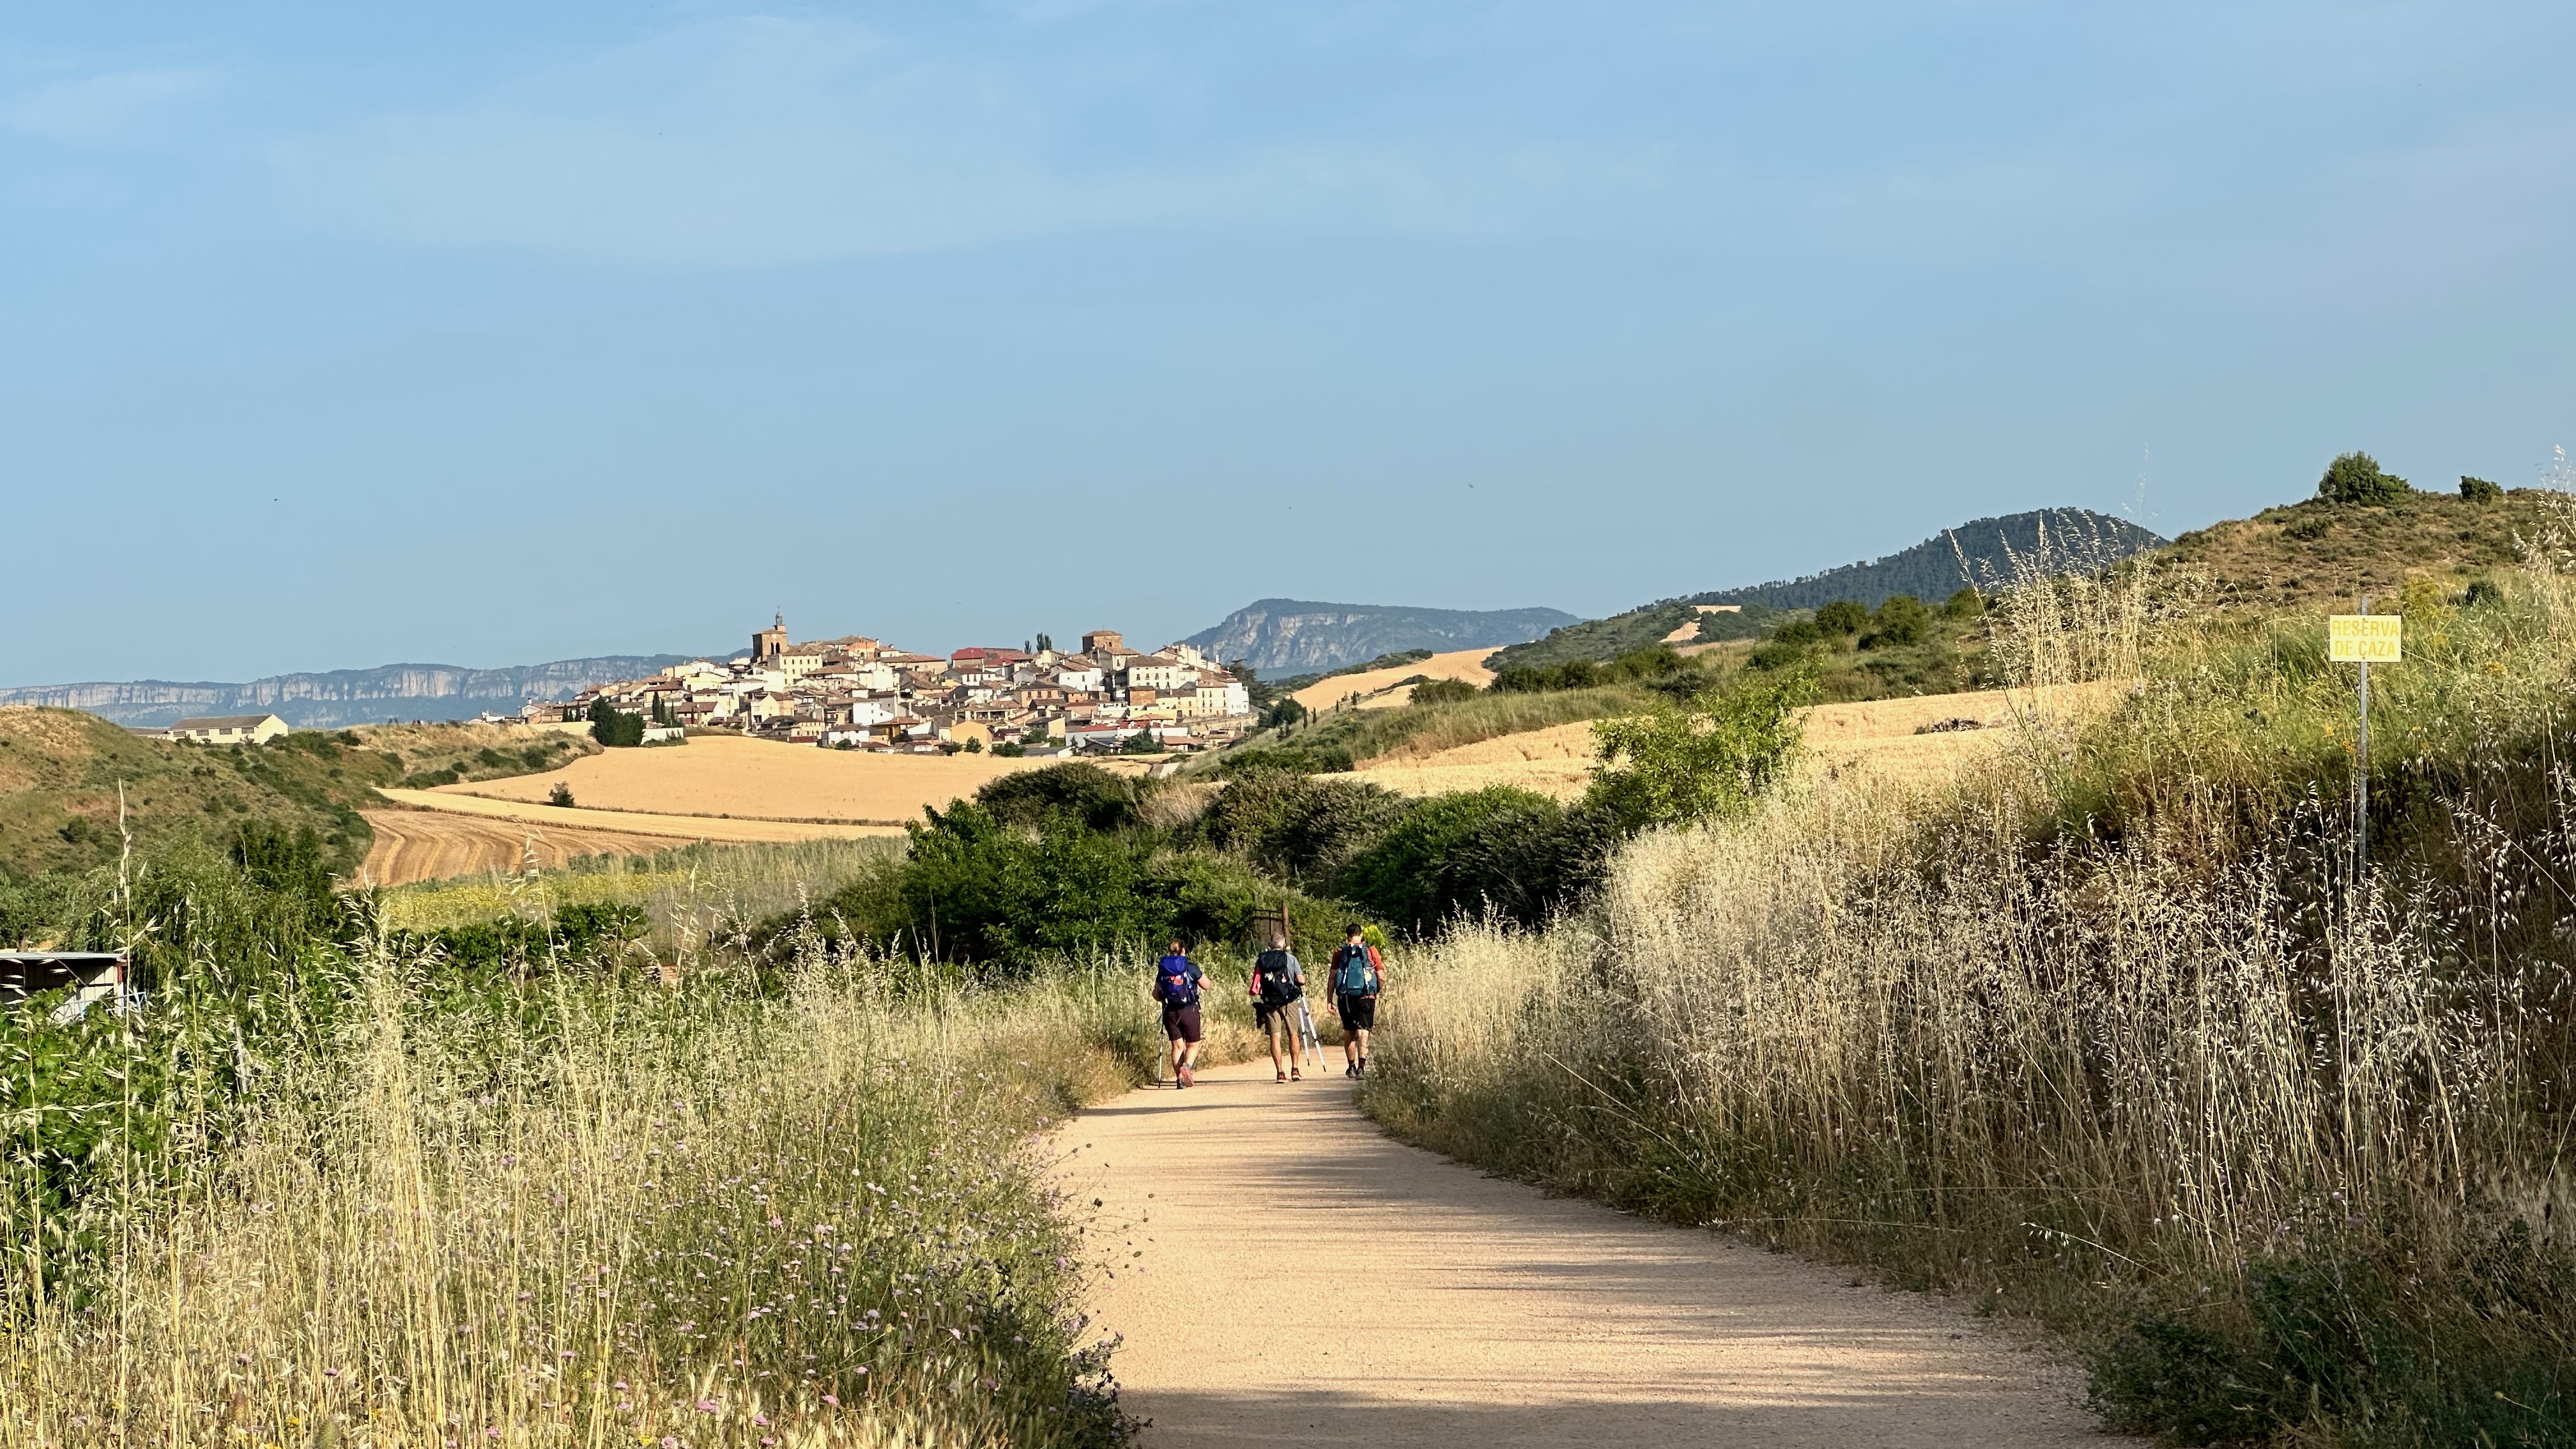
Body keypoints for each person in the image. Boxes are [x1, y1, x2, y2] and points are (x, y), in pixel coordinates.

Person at [1249, 931, 1308, 1084]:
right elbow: (1300, 980)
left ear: (1270, 945)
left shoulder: (1262, 959)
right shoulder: (1290, 958)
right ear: (1283, 944)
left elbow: (1257, 982)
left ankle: (1280, 1073)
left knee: (1275, 1037)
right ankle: (1295, 1069)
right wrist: (1304, 979)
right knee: (1293, 1034)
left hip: (1270, 1002)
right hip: (1289, 1001)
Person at [1329, 924, 1384, 1078]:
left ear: (1347, 936)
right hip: (1366, 996)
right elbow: (1381, 976)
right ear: (1361, 934)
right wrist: (1375, 991)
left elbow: (1333, 977)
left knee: (1349, 1031)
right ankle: (1362, 1068)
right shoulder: (1371, 951)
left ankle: (1351, 1067)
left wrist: (1329, 999)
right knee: (1363, 1031)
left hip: (1346, 997)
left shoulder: (1340, 953)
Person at [1152, 938, 1207, 1088]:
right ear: (1183, 950)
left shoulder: (1163, 969)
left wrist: (1166, 999)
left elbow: (1156, 994)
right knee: (1193, 1044)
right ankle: (1187, 1067)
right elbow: (1207, 985)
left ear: (1169, 951)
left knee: (1177, 1047)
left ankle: (1180, 1080)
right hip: (1190, 1009)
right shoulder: (1190, 967)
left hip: (1170, 1011)